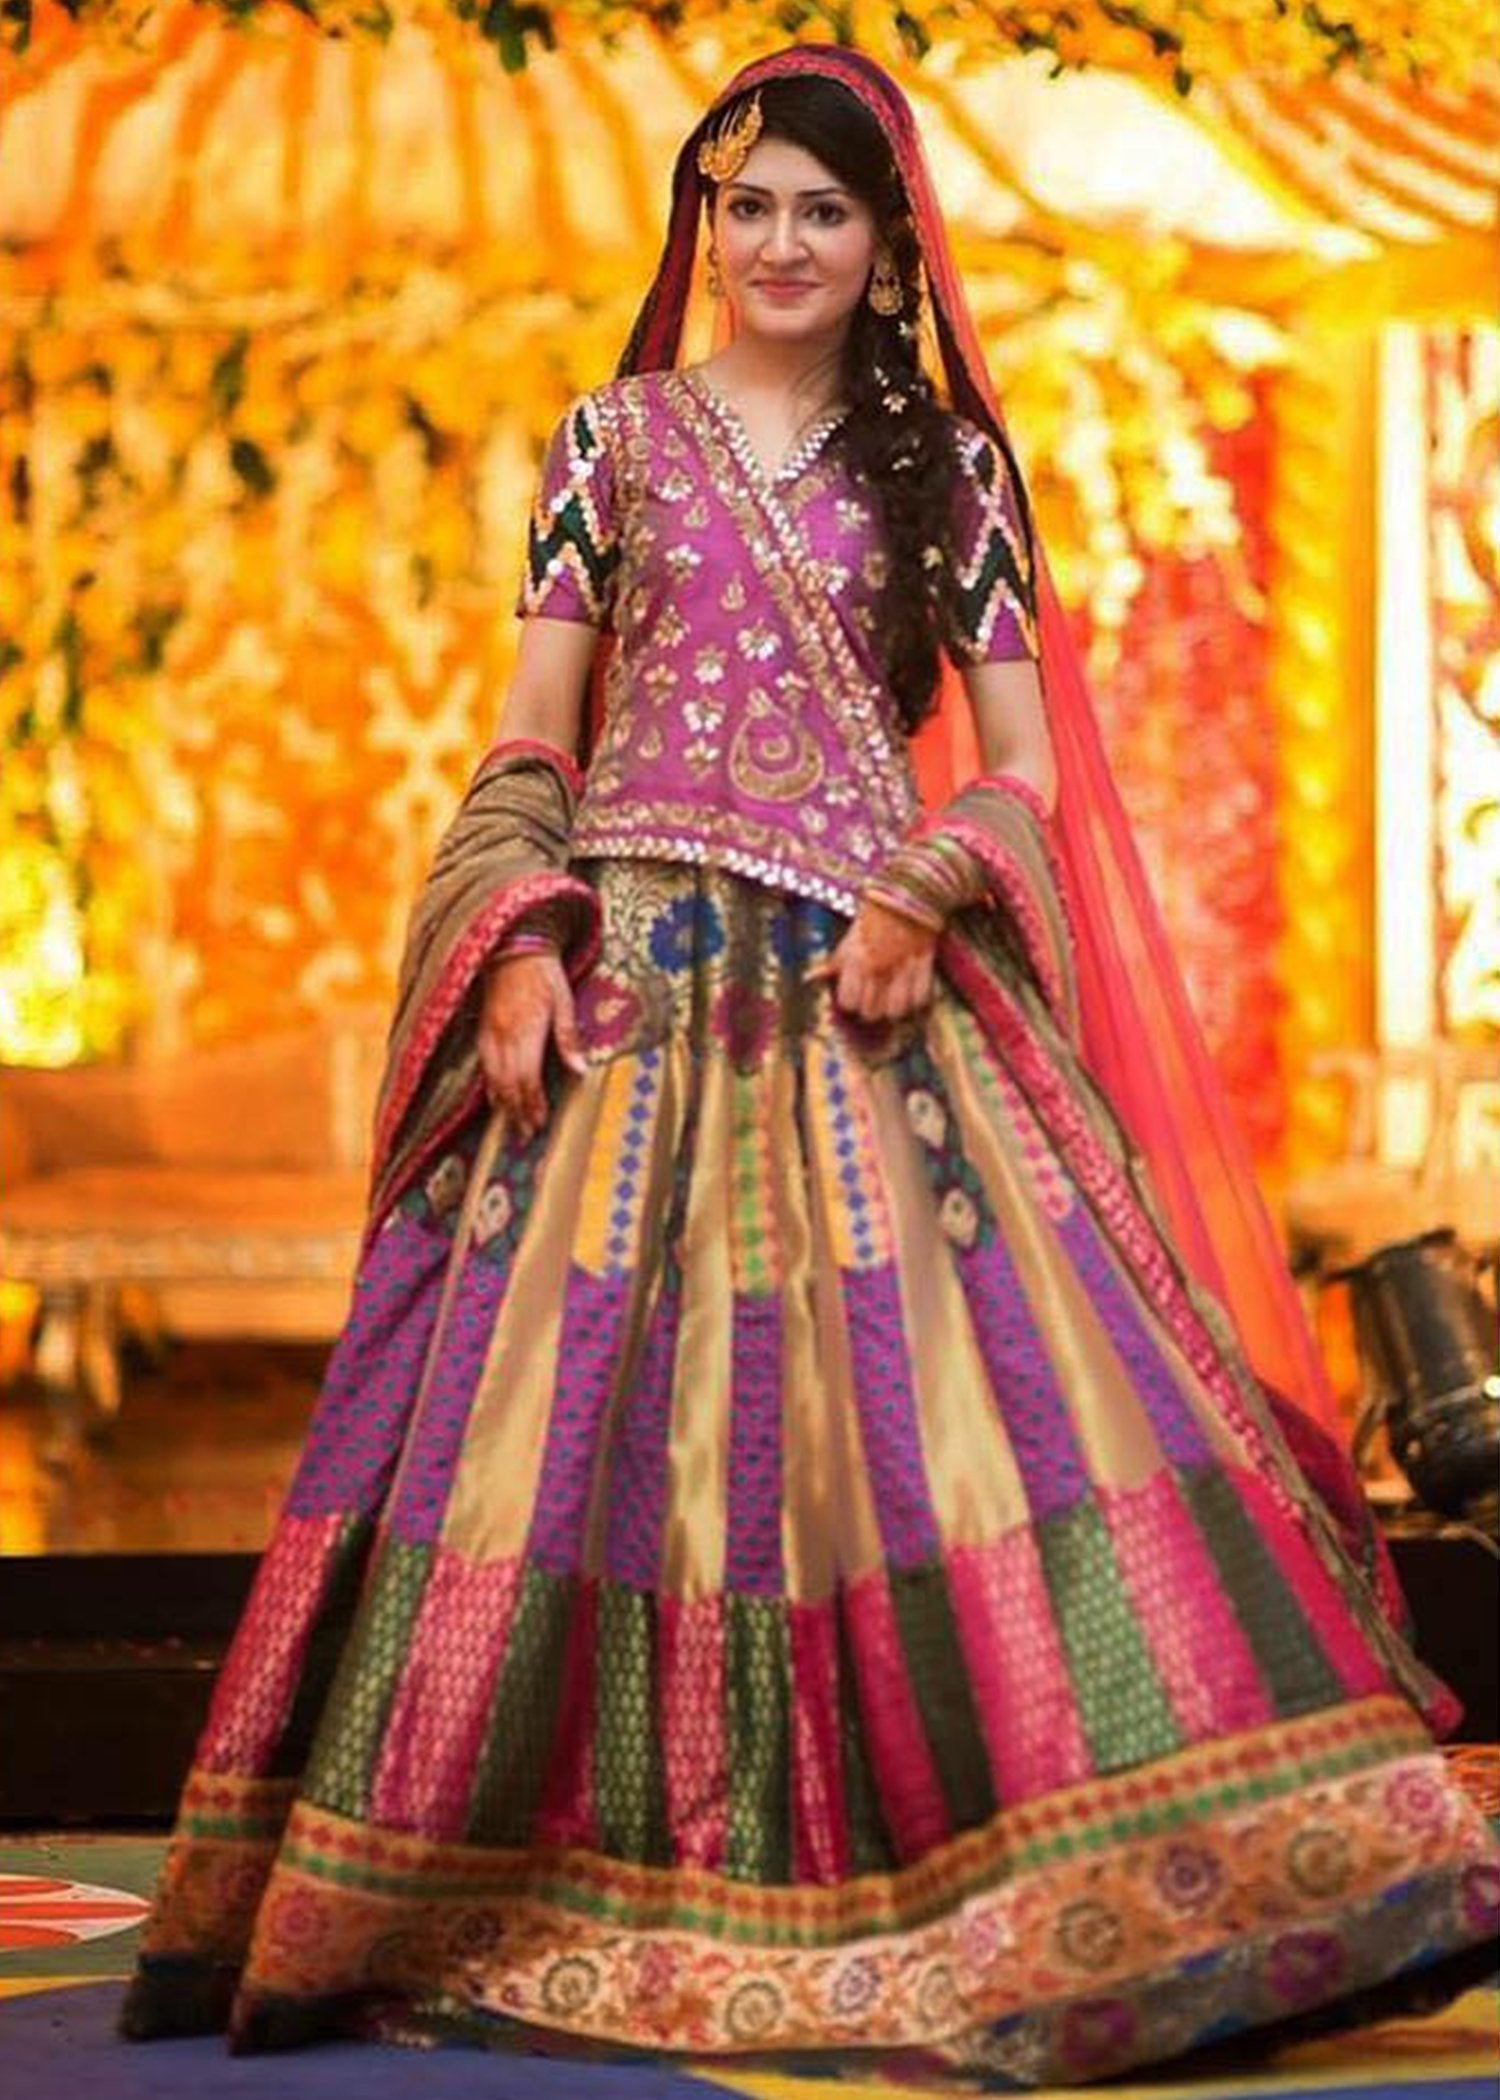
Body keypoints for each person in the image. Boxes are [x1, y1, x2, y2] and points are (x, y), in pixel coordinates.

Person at [122, 43, 1499, 2083]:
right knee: (575, 1433)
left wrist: (928, 890)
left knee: (944, 1428)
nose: (778, 243)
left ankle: (1056, 1882)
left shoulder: (954, 477)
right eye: (747, 204)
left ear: (888, 243)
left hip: (870, 994)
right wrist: (517, 940)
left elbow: (1024, 768)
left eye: (822, 212)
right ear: (708, 224)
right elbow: (533, 732)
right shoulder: (611, 443)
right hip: (625, 1001)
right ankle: (522, 1878)